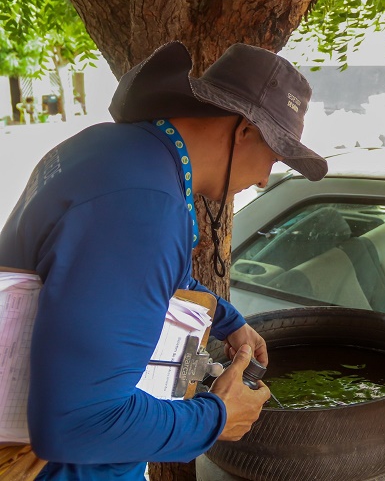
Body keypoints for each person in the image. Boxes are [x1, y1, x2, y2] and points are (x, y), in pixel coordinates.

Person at [0, 41, 328, 480]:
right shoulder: (145, 202)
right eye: (273, 154)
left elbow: (146, 275)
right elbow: (78, 424)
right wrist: (217, 418)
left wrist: (228, 319)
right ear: (244, 129)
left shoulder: (116, 152)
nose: (265, 177)